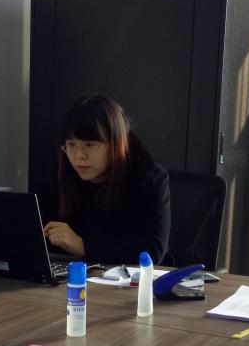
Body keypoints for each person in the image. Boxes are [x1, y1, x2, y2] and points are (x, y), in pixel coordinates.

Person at [42, 95, 170, 264]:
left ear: (115, 145)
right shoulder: (63, 170)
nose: (78, 156)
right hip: (71, 272)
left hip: (127, 278)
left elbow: (151, 251)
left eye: (90, 145)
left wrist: (83, 246)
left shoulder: (148, 178)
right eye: (71, 145)